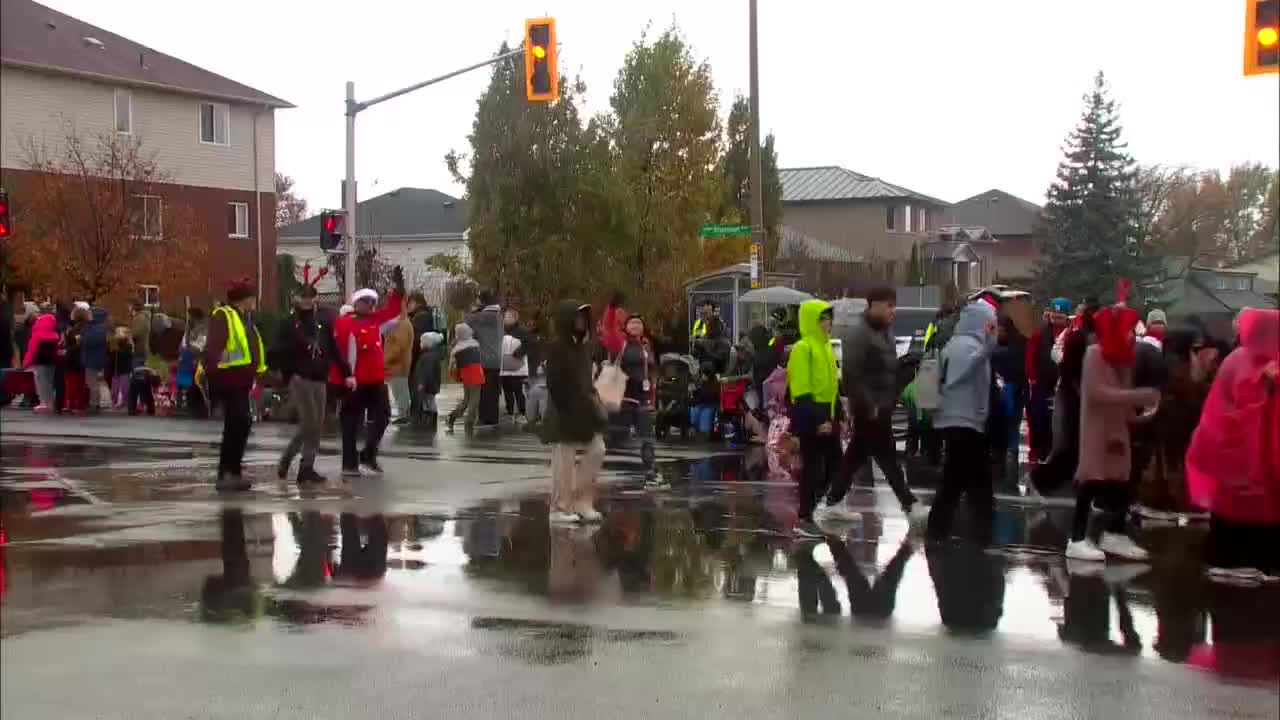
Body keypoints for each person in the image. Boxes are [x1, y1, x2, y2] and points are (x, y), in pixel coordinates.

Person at [1186, 308, 1279, 581]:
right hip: (1234, 447)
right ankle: (1228, 561)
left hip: (1261, 454)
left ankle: (1264, 561)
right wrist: (1266, 384)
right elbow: (1237, 402)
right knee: (1234, 505)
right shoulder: (1239, 360)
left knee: (1266, 508)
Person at [1066, 299, 1160, 562]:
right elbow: (1097, 393)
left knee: (1121, 483)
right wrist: (1136, 396)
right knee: (1090, 482)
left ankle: (1114, 533)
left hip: (1117, 430)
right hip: (1097, 431)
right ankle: (1076, 538)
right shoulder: (1094, 354)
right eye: (1129, 328)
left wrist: (1139, 413)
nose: (1134, 334)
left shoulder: (1121, 358)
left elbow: (1122, 397)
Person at [833, 286, 924, 525]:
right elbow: (852, 374)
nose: (893, 310)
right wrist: (868, 404)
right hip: (868, 409)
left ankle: (831, 502)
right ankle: (910, 504)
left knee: (856, 456)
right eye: (889, 305)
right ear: (873, 305)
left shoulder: (885, 332)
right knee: (887, 458)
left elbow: (886, 369)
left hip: (881, 406)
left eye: (894, 305)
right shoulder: (859, 334)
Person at [926, 300, 999, 545]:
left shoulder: (965, 344)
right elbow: (958, 376)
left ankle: (976, 530)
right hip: (961, 421)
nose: (993, 327)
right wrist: (987, 348)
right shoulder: (963, 346)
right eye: (990, 322)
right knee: (959, 477)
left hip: (966, 420)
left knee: (969, 477)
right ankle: (943, 530)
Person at [1136, 324, 1218, 521]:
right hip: (1174, 421)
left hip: (1173, 421)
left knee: (1167, 464)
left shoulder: (1171, 361)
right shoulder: (1176, 366)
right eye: (1195, 348)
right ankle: (1172, 504)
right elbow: (1189, 389)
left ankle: (1162, 502)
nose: (1198, 352)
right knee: (1172, 465)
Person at [271, 284, 347, 485]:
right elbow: (275, 350)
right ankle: (300, 464)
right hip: (300, 377)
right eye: (302, 297)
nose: (306, 301)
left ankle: (303, 465)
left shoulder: (321, 321)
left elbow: (333, 347)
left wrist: (347, 372)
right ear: (296, 298)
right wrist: (290, 359)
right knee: (310, 423)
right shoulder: (289, 322)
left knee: (315, 425)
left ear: (315, 298)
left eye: (310, 297)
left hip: (320, 378)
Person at [333, 268, 405, 476]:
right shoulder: (344, 323)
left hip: (375, 380)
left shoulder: (375, 321)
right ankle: (349, 464)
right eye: (366, 302)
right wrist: (342, 378)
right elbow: (338, 352)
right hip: (354, 381)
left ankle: (369, 453)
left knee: (383, 415)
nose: (371, 306)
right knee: (351, 422)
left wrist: (398, 290)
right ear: (356, 304)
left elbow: (393, 312)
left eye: (372, 303)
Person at [542, 301, 607, 525]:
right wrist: (568, 408)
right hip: (563, 411)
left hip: (584, 410)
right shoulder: (557, 346)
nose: (581, 322)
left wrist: (595, 404)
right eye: (577, 317)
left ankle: (582, 502)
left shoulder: (584, 348)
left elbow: (586, 381)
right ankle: (559, 508)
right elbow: (553, 382)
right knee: (564, 460)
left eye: (583, 318)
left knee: (597, 450)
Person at [787, 299, 843, 539]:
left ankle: (818, 507)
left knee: (836, 465)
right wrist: (819, 420)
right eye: (823, 318)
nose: (828, 323)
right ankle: (804, 516)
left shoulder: (827, 347)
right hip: (810, 415)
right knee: (812, 468)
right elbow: (801, 391)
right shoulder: (803, 348)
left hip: (826, 414)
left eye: (829, 318)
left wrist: (838, 414)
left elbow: (833, 387)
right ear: (812, 320)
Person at [203, 280, 266, 491]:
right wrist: (211, 379)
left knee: (239, 425)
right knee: (238, 424)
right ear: (246, 299)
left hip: (241, 381)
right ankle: (228, 473)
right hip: (228, 381)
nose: (255, 301)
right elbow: (213, 349)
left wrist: (261, 374)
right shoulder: (224, 315)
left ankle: (231, 471)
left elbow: (252, 348)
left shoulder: (245, 319)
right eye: (252, 297)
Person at [1025, 298, 1072, 462]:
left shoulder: (1071, 334)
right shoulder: (1040, 334)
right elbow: (1031, 357)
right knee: (1038, 417)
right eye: (1054, 315)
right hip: (1042, 384)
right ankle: (1038, 451)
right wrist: (1033, 378)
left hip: (1064, 384)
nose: (1056, 319)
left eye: (1060, 316)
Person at [618, 314, 657, 468]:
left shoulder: (646, 345)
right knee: (616, 436)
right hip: (625, 396)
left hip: (643, 395)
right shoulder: (621, 343)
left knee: (647, 435)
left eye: (638, 323)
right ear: (625, 327)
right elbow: (608, 333)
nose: (635, 325)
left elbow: (652, 369)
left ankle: (650, 468)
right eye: (632, 323)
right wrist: (612, 310)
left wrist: (653, 390)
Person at [466, 290, 503, 426]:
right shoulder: (497, 314)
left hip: (486, 357)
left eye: (478, 299)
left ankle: (485, 418)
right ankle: (492, 418)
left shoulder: (486, 315)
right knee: (492, 390)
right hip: (496, 357)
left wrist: (473, 311)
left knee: (485, 390)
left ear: (483, 301)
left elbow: (467, 322)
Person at [445, 322, 485, 434]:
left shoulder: (456, 349)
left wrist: (456, 376)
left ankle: (452, 416)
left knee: (467, 400)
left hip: (465, 375)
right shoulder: (475, 344)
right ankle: (469, 422)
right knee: (474, 401)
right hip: (476, 374)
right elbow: (480, 360)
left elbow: (452, 366)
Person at [381, 303, 414, 425]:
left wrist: (386, 360)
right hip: (397, 364)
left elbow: (399, 346)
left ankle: (403, 414)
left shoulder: (402, 324)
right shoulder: (398, 323)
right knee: (399, 389)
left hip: (398, 364)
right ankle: (403, 413)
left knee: (400, 389)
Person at [23, 310, 60, 412]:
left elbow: (31, 350)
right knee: (50, 383)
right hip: (52, 363)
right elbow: (57, 350)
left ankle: (43, 402)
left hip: (39, 363)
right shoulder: (55, 335)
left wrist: (25, 363)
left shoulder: (37, 335)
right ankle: (50, 402)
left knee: (40, 383)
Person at [500, 308, 529, 421]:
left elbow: (528, 344)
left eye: (508, 317)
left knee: (517, 390)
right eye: (505, 317)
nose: (505, 319)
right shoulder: (501, 330)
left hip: (517, 366)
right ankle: (510, 411)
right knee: (507, 390)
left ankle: (522, 412)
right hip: (504, 365)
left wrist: (519, 353)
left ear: (514, 318)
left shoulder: (522, 330)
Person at [61, 304, 91, 413]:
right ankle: (74, 404)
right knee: (75, 383)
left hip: (74, 358)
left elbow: (76, 344)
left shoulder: (78, 329)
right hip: (77, 358)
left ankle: (75, 404)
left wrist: (67, 349)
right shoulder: (80, 328)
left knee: (74, 383)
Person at [80, 306, 109, 414]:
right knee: (94, 382)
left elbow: (89, 341)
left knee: (92, 383)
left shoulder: (96, 329)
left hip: (93, 359)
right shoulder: (97, 327)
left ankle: (94, 403)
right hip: (95, 357)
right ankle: (96, 402)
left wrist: (81, 339)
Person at [413, 331, 445, 429]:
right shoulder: (432, 355)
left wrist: (422, 383)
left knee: (428, 401)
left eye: (422, 341)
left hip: (428, 384)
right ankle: (430, 419)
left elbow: (426, 372)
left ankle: (429, 420)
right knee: (429, 401)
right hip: (432, 383)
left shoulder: (427, 357)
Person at [109, 326, 133, 409]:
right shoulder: (114, 348)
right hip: (116, 370)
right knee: (115, 388)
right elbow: (111, 359)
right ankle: (114, 401)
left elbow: (127, 355)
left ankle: (125, 401)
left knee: (125, 387)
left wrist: (117, 351)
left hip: (124, 370)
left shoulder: (128, 347)